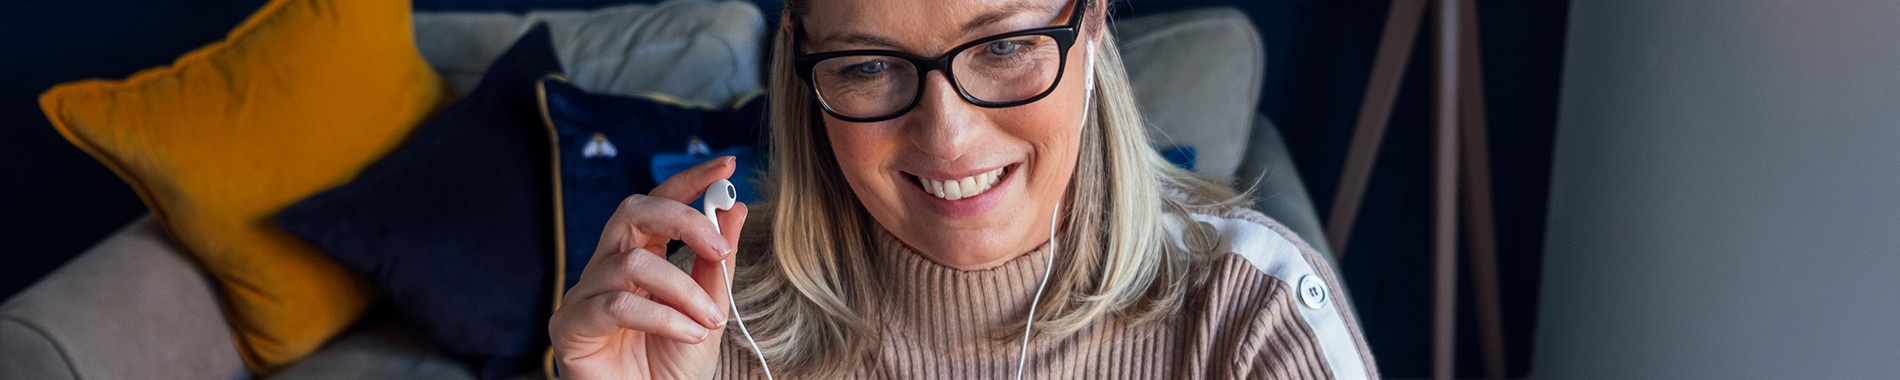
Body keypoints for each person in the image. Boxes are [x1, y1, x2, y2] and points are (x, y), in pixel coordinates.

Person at [546, 0, 1379, 378]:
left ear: (1089, 22)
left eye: (1005, 47)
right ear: (803, 62)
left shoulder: (1250, 314)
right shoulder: (709, 325)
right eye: (869, 66)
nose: (946, 136)